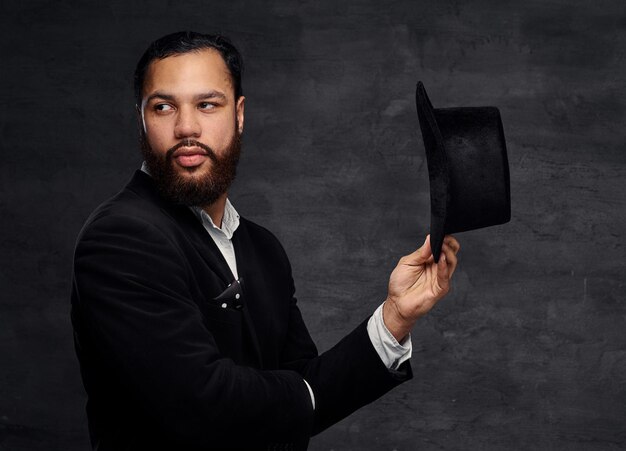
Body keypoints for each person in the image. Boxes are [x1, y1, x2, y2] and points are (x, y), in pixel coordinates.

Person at [70, 31, 460, 451]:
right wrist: (308, 393)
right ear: (143, 119)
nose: (186, 127)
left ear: (238, 114)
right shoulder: (119, 239)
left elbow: (302, 398)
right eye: (163, 107)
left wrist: (395, 317)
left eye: (207, 104)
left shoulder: (263, 249)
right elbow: (205, 406)